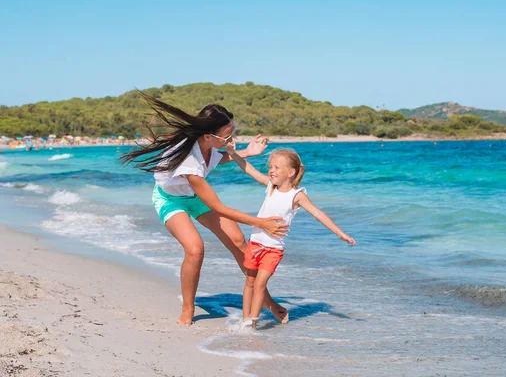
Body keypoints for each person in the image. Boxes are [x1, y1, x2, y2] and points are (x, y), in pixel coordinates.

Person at [120, 91, 289, 325]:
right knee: (195, 249)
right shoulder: (189, 161)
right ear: (209, 136)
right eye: (227, 136)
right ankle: (188, 309)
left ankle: (266, 301)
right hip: (170, 199)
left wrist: (249, 152)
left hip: (193, 195)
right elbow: (218, 208)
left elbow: (217, 158)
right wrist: (261, 222)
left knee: (239, 240)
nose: (230, 141)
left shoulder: (208, 146)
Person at [226, 145, 356, 328]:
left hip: (273, 249)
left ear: (291, 172)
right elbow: (250, 169)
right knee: (250, 281)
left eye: (276, 167)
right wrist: (232, 154)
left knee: (260, 284)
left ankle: (252, 322)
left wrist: (339, 233)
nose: (271, 171)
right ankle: (245, 317)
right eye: (270, 167)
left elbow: (317, 213)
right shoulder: (271, 187)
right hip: (255, 243)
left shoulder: (297, 195)